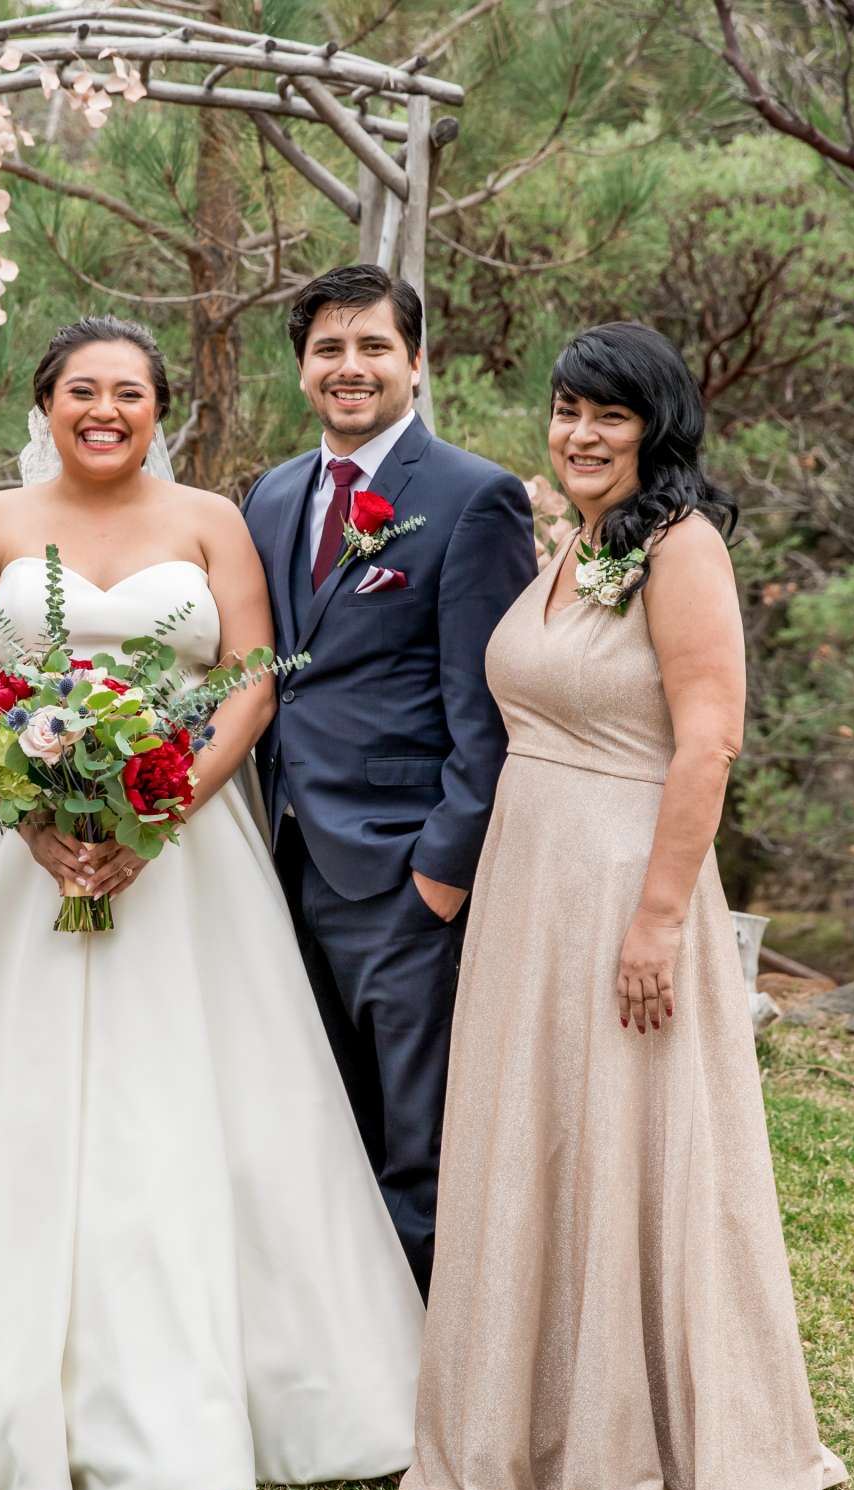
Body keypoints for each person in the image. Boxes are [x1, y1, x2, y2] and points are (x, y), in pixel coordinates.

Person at [0, 317, 424, 1490]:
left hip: (186, 855)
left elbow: (256, 675)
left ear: (164, 409)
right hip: (13, 860)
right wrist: (32, 810)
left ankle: (238, 1389)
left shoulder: (214, 521)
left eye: (129, 393)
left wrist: (162, 804)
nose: (104, 411)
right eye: (80, 392)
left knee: (197, 1103)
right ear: (44, 403)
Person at [400, 321, 846, 1490]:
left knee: (627, 1144)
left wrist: (658, 917)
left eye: (608, 415)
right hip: (530, 881)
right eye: (565, 411)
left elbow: (707, 740)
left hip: (620, 885)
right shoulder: (578, 543)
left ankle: (639, 1439)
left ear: (656, 427)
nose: (581, 435)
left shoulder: (682, 548)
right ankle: (527, 1427)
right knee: (537, 1138)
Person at [240, 265, 537, 1295]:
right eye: (329, 348)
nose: (350, 367)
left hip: (406, 873)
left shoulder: (472, 497)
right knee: (320, 1122)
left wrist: (442, 876)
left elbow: (490, 710)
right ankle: (345, 1356)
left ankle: (428, 1381)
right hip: (284, 861)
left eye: (373, 347)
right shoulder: (274, 496)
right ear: (303, 369)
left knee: (419, 1141)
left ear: (416, 361)